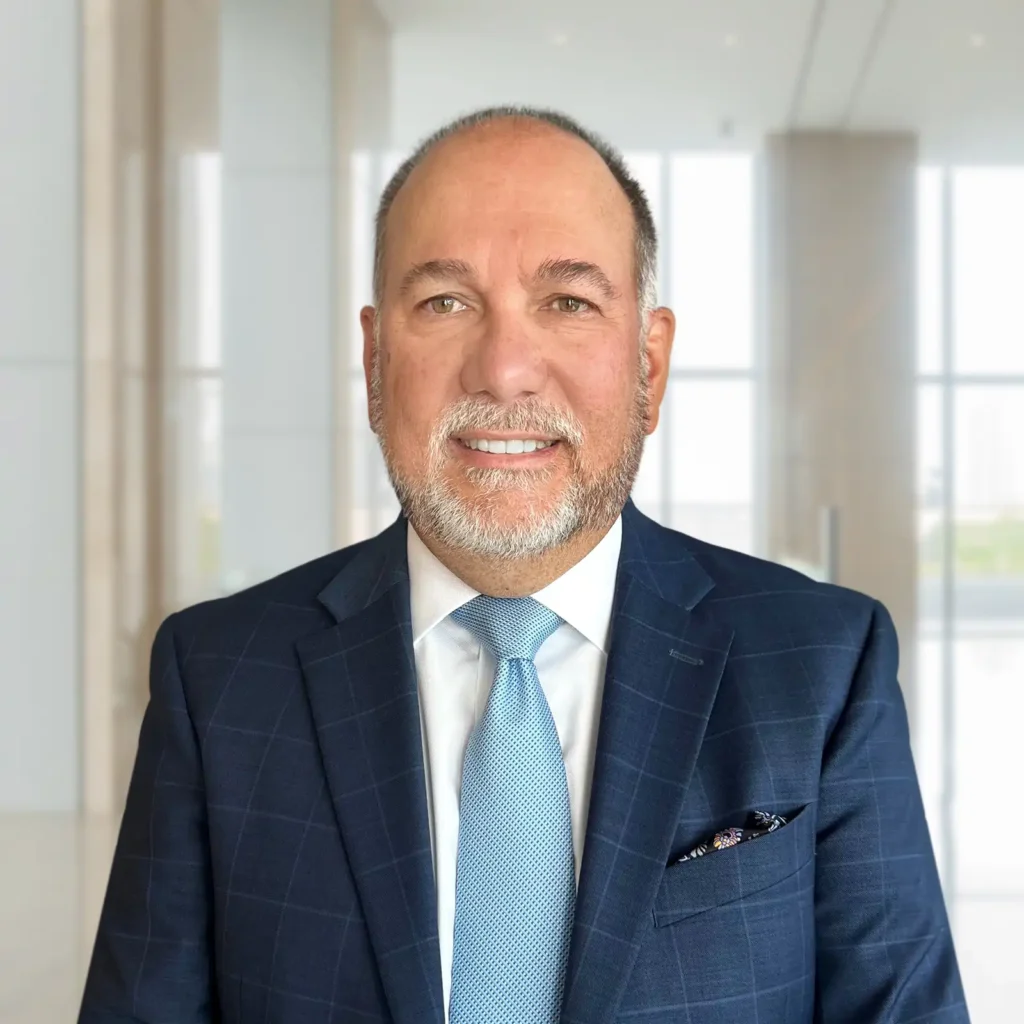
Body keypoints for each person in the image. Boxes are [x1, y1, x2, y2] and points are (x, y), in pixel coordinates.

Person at [79, 107, 968, 1024]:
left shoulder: (822, 665)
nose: (503, 370)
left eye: (569, 302)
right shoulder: (221, 677)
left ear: (650, 368)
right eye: (445, 303)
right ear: (377, 361)